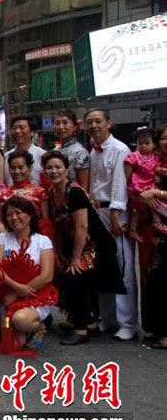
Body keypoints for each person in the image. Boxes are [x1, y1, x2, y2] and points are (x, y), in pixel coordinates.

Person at [43, 151, 124, 346]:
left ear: (66, 169)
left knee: (73, 281)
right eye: (49, 168)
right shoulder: (51, 194)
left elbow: (82, 227)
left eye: (58, 167)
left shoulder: (75, 192)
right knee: (64, 280)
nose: (54, 171)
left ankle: (81, 330)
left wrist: (76, 259)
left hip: (97, 245)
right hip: (78, 246)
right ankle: (90, 323)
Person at [85, 108, 136, 341]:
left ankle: (128, 323)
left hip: (115, 212)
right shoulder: (93, 151)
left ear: (109, 123)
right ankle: (108, 319)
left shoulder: (120, 149)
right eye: (89, 122)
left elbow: (119, 184)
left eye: (98, 121)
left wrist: (116, 214)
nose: (94, 126)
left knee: (123, 268)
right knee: (103, 265)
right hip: (98, 213)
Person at [0, 196, 56, 350]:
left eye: (18, 213)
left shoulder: (43, 241)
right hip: (7, 295)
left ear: (29, 215)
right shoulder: (3, 238)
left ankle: (39, 327)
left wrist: (18, 293)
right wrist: (15, 287)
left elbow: (46, 276)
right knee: (14, 345)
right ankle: (21, 329)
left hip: (34, 295)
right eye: (9, 215)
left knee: (20, 320)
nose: (14, 218)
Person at [141, 126, 167, 349]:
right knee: (156, 280)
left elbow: (154, 193)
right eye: (164, 138)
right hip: (159, 230)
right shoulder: (157, 165)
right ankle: (158, 328)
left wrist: (157, 194)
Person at [0, 151, 49, 235]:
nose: (16, 171)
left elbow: (46, 221)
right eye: (13, 168)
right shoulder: (2, 193)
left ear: (29, 169)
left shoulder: (40, 192)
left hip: (34, 238)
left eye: (20, 167)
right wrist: (7, 236)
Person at [125, 127, 159, 242]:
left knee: (154, 203)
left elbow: (157, 169)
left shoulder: (156, 157)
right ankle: (133, 230)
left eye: (147, 143)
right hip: (138, 185)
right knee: (136, 210)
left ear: (154, 145)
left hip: (150, 186)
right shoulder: (134, 156)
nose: (143, 146)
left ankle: (156, 222)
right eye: (140, 143)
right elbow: (127, 171)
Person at [52, 110, 90, 192]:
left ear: (75, 127)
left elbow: (84, 186)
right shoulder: (54, 151)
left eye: (65, 123)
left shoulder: (80, 152)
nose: (61, 127)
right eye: (57, 123)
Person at [4, 116, 47, 186]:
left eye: (21, 128)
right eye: (14, 128)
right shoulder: (6, 156)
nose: (17, 131)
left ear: (32, 132)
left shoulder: (42, 155)